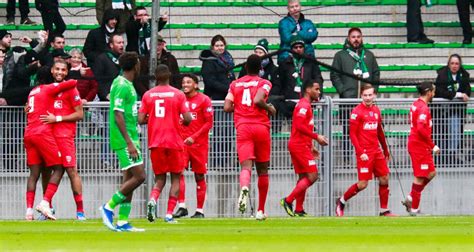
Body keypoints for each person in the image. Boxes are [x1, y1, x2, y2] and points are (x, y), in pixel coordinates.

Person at [224, 54, 276, 220]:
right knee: (262, 170)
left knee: (246, 166)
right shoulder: (264, 82)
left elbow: (226, 107)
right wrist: (269, 108)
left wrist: (239, 108)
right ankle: (260, 210)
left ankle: (244, 187)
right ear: (261, 68)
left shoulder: (235, 84)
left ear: (245, 67)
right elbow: (258, 99)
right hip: (260, 126)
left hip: (243, 127)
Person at [139, 65, 192, 223]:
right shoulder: (178, 94)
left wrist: (154, 119)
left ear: (155, 77)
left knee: (160, 179)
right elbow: (188, 118)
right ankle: (169, 214)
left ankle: (152, 201)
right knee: (176, 177)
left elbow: (141, 119)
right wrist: (180, 121)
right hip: (174, 141)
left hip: (156, 142)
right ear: (169, 76)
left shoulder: (148, 95)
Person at [99, 52, 146, 232]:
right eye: (139, 63)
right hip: (125, 140)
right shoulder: (121, 84)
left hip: (132, 136)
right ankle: (108, 206)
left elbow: (126, 112)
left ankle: (123, 221)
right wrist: (129, 142)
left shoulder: (127, 84)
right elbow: (117, 114)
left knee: (130, 179)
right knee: (140, 176)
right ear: (135, 65)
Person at [335, 84, 396, 217]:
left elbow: (380, 132)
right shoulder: (356, 112)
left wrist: (386, 150)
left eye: (370, 95)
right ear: (361, 95)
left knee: (384, 178)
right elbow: (352, 134)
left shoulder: (376, 110)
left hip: (376, 150)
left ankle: (384, 210)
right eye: (365, 95)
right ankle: (341, 201)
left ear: (374, 95)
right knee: (363, 184)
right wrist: (360, 152)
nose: (368, 98)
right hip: (364, 152)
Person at [38, 60, 86, 220]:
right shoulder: (47, 89)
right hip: (47, 136)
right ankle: (47, 208)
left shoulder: (71, 89)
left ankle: (80, 212)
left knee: (71, 170)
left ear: (67, 72)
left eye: (63, 70)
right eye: (57, 69)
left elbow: (80, 114)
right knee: (46, 171)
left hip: (64, 136)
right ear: (51, 70)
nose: (59, 72)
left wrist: (57, 118)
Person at [25, 73, 77, 220]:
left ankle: (29, 212)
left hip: (28, 133)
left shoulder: (32, 92)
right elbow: (73, 82)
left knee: (34, 174)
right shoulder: (49, 89)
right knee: (60, 167)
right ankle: (45, 202)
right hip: (42, 133)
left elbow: (29, 107)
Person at [330, 27, 380, 164]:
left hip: (367, 101)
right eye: (353, 37)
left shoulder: (369, 55)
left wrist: (373, 91)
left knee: (368, 131)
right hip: (348, 101)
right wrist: (343, 91)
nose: (356, 39)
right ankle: (347, 159)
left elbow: (376, 73)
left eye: (358, 36)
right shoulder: (340, 55)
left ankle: (367, 159)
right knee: (348, 131)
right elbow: (334, 75)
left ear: (362, 38)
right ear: (348, 38)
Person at [280, 79, 328, 217]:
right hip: (298, 146)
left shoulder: (306, 105)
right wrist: (316, 137)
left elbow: (303, 127)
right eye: (316, 89)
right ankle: (288, 200)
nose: (319, 92)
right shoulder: (303, 105)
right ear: (308, 90)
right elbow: (299, 126)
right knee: (313, 176)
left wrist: (311, 145)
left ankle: (299, 209)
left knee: (304, 177)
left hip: (302, 145)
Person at [172, 74, 213, 219]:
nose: (185, 84)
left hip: (199, 145)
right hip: (182, 143)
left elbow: (208, 123)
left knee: (199, 175)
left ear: (196, 85)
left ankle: (199, 211)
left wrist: (194, 137)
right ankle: (182, 206)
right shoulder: (178, 98)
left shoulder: (204, 100)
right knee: (178, 172)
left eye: (188, 82)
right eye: (183, 82)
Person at [402, 82, 439, 216]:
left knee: (431, 173)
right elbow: (421, 128)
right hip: (419, 145)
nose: (434, 94)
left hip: (418, 144)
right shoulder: (423, 108)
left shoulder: (416, 104)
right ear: (428, 92)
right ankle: (414, 210)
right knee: (419, 177)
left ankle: (411, 197)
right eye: (433, 91)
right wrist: (432, 145)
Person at [433, 54, 471, 165]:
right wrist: (457, 94)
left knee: (455, 132)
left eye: (457, 63)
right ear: (449, 64)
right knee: (441, 133)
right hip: (442, 111)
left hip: (456, 111)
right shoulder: (442, 75)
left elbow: (467, 91)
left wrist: (463, 95)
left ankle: (452, 155)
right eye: (452, 63)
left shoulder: (464, 75)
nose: (454, 66)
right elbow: (439, 91)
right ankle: (442, 156)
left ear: (460, 65)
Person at [277, 35, 323, 121]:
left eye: (300, 47)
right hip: (290, 104)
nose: (298, 49)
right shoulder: (285, 63)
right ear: (291, 49)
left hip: (308, 102)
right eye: (295, 47)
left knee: (307, 127)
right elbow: (281, 82)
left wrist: (318, 93)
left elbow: (318, 78)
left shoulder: (311, 62)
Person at [200, 34, 235, 100]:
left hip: (227, 95)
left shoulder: (228, 58)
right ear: (212, 47)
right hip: (214, 96)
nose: (220, 48)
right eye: (217, 46)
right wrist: (227, 88)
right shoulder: (208, 61)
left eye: (221, 45)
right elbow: (210, 81)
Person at [93, 33, 124, 101]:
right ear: (111, 45)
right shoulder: (102, 59)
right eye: (119, 43)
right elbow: (97, 80)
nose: (121, 45)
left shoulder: (125, 59)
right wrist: (105, 94)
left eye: (122, 42)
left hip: (123, 97)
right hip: (108, 99)